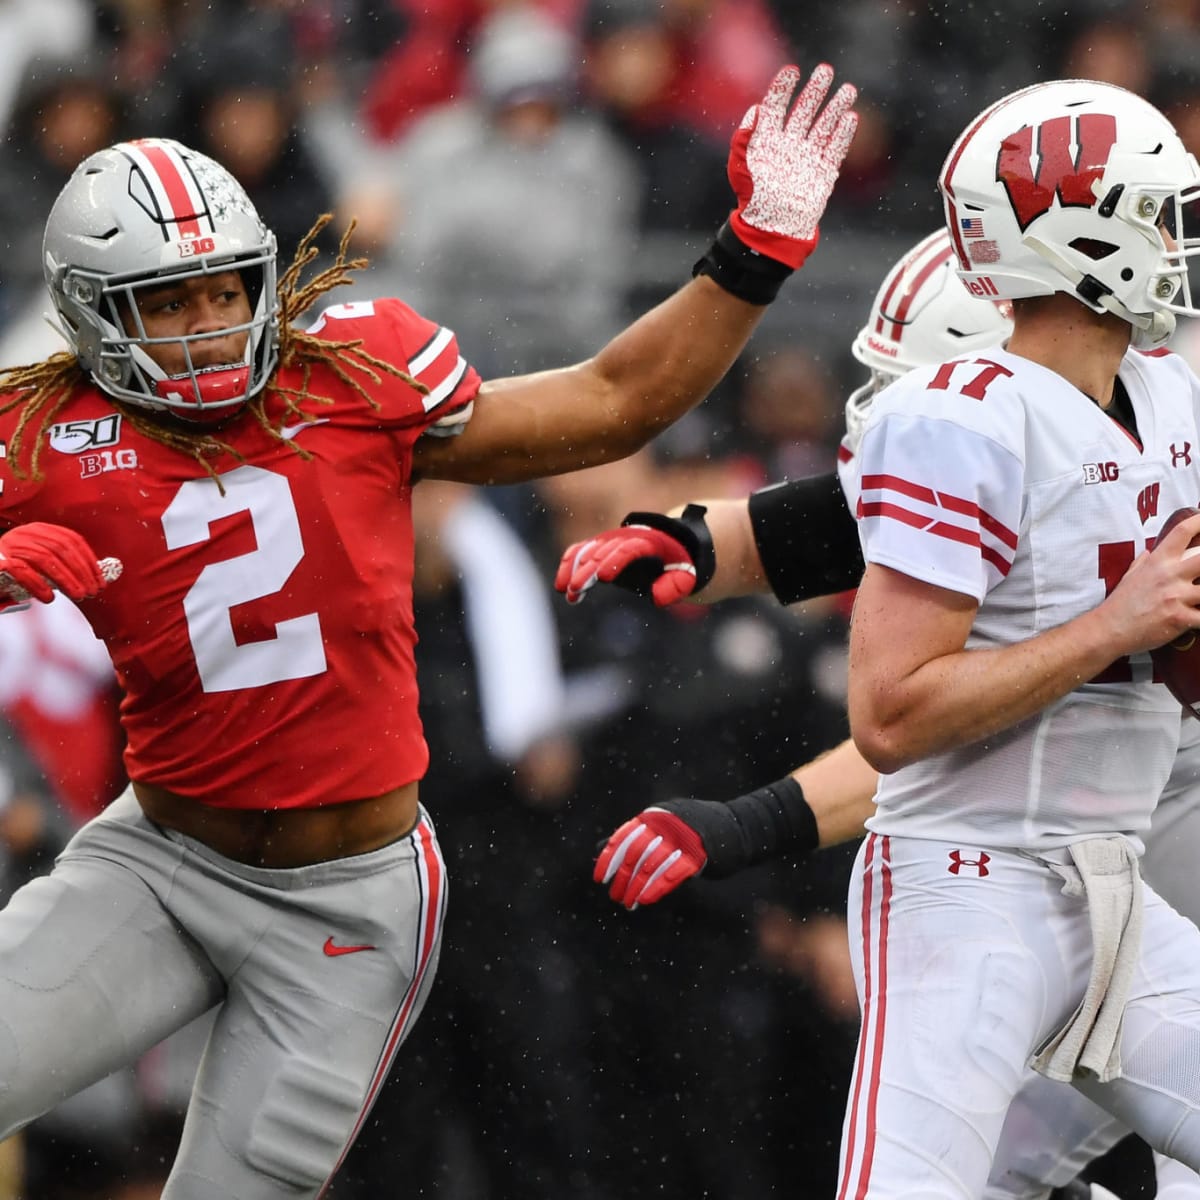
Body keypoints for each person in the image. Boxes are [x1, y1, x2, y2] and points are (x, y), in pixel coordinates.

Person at [0, 62, 858, 1198]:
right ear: (93, 314)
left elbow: (613, 401)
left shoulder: (349, 375)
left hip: (345, 904)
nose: (207, 327)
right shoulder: (41, 435)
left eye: (223, 290)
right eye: (167, 302)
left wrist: (753, 252)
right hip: (158, 865)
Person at [558, 185, 1200, 1197]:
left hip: (1135, 874)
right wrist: (703, 539)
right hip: (1061, 881)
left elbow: (916, 715)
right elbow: (865, 537)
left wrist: (746, 822)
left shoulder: (1122, 442)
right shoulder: (1045, 445)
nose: (905, 436)